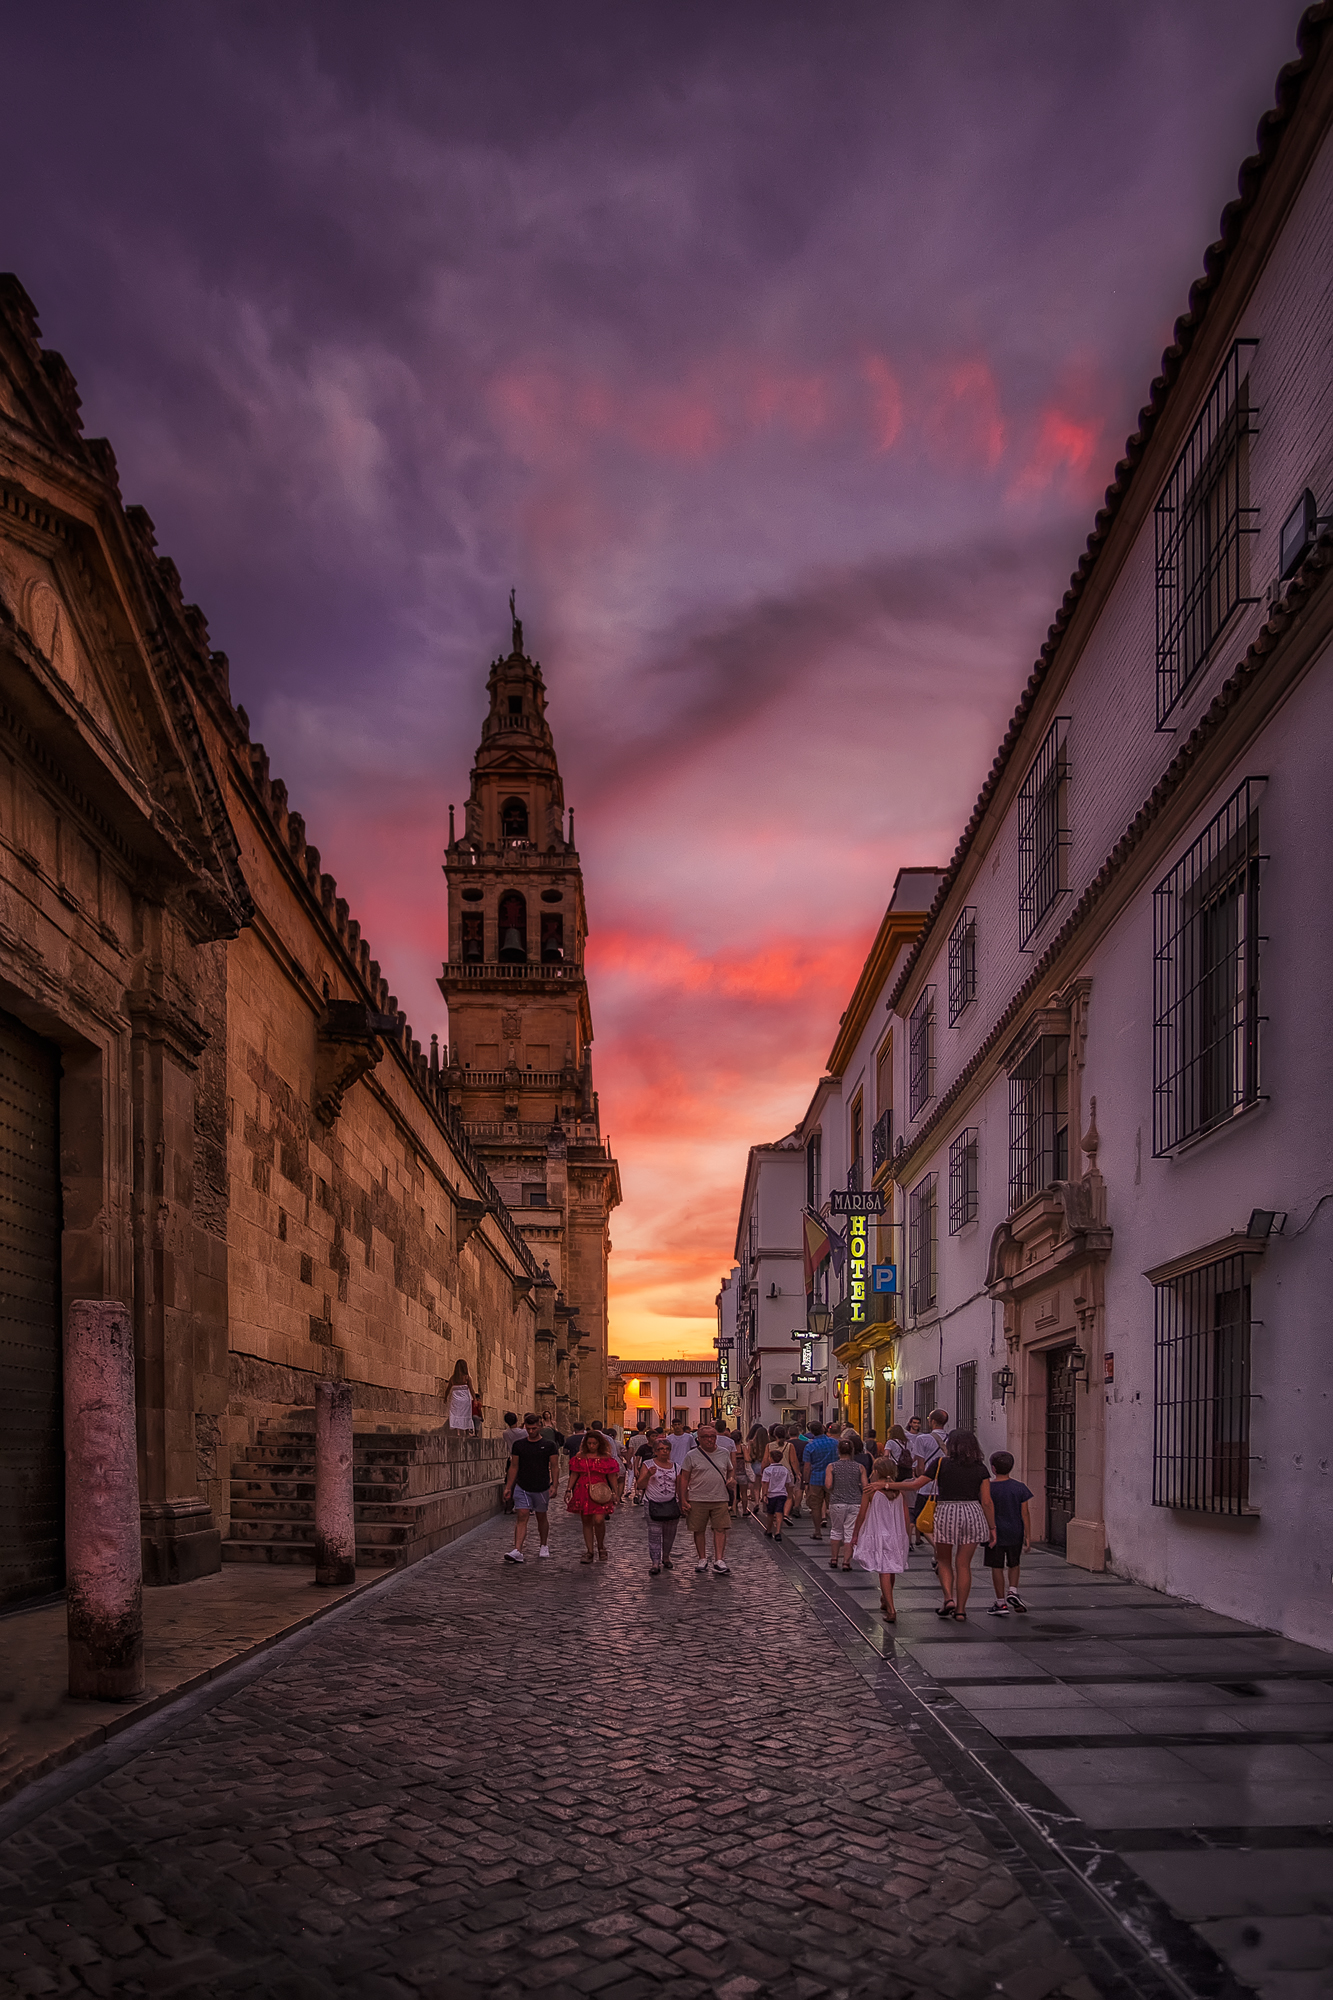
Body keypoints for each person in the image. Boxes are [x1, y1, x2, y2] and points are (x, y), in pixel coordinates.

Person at [848, 1455, 929, 1620]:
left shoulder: (871, 1490)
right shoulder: (899, 1491)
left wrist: (855, 1534)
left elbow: (862, 1514)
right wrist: (906, 1536)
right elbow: (906, 1517)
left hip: (879, 1534)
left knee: (883, 1570)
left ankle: (891, 1609)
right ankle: (886, 1599)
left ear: (876, 1471)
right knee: (890, 1569)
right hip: (896, 1535)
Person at [932, 1429, 996, 1622]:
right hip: (972, 1513)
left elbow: (918, 1482)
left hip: (946, 1512)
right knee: (963, 1564)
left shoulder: (941, 1463)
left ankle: (948, 1598)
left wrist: (887, 1485)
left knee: (943, 1560)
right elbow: (986, 1501)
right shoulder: (980, 1468)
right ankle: (961, 1610)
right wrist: (992, 1527)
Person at [502, 1414, 562, 1562]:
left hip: (541, 1487)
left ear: (540, 1427)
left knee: (541, 1517)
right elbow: (514, 1466)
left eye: (534, 1428)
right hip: (522, 1486)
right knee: (522, 1515)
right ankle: (517, 1550)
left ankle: (543, 1545)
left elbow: (554, 1466)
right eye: (528, 1428)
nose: (531, 1431)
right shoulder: (519, 1445)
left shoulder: (549, 1445)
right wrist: (509, 1487)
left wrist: (554, 1485)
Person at [679, 1422, 735, 1575]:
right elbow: (684, 1478)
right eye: (706, 1437)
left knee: (720, 1528)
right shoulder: (691, 1455)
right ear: (699, 1439)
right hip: (697, 1498)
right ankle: (702, 1558)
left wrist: (731, 1479)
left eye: (712, 1436)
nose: (710, 1440)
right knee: (698, 1529)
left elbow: (730, 1470)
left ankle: (719, 1560)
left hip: (720, 1497)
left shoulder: (723, 1453)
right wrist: (683, 1499)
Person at [985, 1451, 1033, 1615]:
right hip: (1015, 1531)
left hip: (995, 1533)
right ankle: (1013, 1590)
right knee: (1014, 1563)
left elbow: (985, 1507)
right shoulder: (1019, 1487)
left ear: (993, 1468)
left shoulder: (988, 1488)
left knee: (996, 1566)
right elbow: (1025, 1513)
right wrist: (1028, 1535)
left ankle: (1000, 1603)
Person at [565, 1429, 622, 1562]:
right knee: (586, 1521)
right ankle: (589, 1551)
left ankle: (601, 1546)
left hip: (601, 1491)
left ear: (599, 1444)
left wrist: (615, 1492)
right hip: (582, 1490)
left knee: (599, 1520)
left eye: (594, 1443)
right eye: (589, 1443)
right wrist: (568, 1489)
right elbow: (574, 1474)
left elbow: (611, 1476)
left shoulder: (606, 1458)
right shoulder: (580, 1457)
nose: (591, 1446)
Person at [637, 1432, 682, 1574]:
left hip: (671, 1503)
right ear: (655, 1451)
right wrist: (649, 1475)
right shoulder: (648, 1464)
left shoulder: (676, 1467)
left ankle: (666, 1557)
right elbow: (640, 1485)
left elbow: (680, 1486)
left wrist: (683, 1502)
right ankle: (655, 1562)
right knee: (654, 1533)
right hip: (653, 1503)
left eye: (667, 1449)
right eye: (661, 1449)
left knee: (670, 1534)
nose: (664, 1452)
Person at [824, 1438, 868, 1570]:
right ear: (852, 1451)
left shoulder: (832, 1466)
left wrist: (833, 1490)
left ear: (838, 1451)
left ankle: (834, 1559)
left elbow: (828, 1484)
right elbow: (866, 1486)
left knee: (836, 1530)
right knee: (850, 1532)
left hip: (837, 1502)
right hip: (855, 1502)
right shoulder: (860, 1467)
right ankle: (846, 1562)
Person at [801, 1421, 839, 1542]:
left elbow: (807, 1466)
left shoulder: (810, 1446)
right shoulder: (835, 1443)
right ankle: (836, 1531)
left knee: (816, 1507)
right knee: (833, 1505)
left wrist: (806, 1482)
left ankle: (817, 1531)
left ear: (811, 1432)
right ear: (823, 1429)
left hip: (816, 1478)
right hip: (832, 1478)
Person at [760, 1443, 791, 1538]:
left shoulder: (767, 1470)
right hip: (782, 1494)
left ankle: (769, 1529)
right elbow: (787, 1482)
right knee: (779, 1512)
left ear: (771, 1458)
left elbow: (765, 1483)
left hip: (771, 1494)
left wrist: (764, 1495)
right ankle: (778, 1531)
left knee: (770, 1513)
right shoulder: (785, 1470)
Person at [445, 1359, 477, 1433]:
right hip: (465, 1399)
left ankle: (458, 1431)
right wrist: (474, 1399)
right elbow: (471, 1389)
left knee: (456, 1413)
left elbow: (448, 1389)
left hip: (455, 1399)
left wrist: (445, 1397)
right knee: (465, 1413)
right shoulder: (467, 1378)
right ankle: (466, 1429)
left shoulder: (453, 1378)